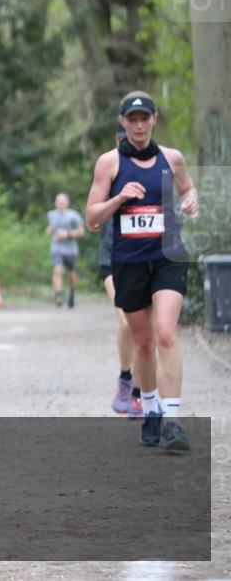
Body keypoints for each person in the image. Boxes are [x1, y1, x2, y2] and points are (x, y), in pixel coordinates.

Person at [86, 91, 198, 452]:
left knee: (165, 333)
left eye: (144, 118)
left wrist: (190, 200)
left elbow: (187, 191)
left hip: (167, 257)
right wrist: (119, 200)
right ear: (122, 122)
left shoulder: (172, 158)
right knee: (144, 342)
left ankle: (173, 420)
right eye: (131, 119)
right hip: (130, 262)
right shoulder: (109, 163)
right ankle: (150, 409)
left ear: (154, 119)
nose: (138, 125)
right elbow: (91, 217)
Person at [90, 126, 140, 417]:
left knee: (145, 330)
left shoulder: (154, 168)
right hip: (113, 257)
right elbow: (93, 209)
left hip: (146, 260)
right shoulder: (109, 167)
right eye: (122, 140)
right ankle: (125, 377)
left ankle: (139, 393)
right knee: (125, 320)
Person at [45, 193, 84, 308]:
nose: (60, 204)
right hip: (56, 248)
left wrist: (67, 234)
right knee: (57, 270)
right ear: (55, 203)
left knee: (70, 274)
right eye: (58, 202)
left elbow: (81, 232)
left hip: (70, 250)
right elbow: (49, 229)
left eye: (62, 202)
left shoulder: (73, 216)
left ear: (67, 203)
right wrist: (50, 231)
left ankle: (72, 293)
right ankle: (59, 295)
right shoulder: (51, 215)